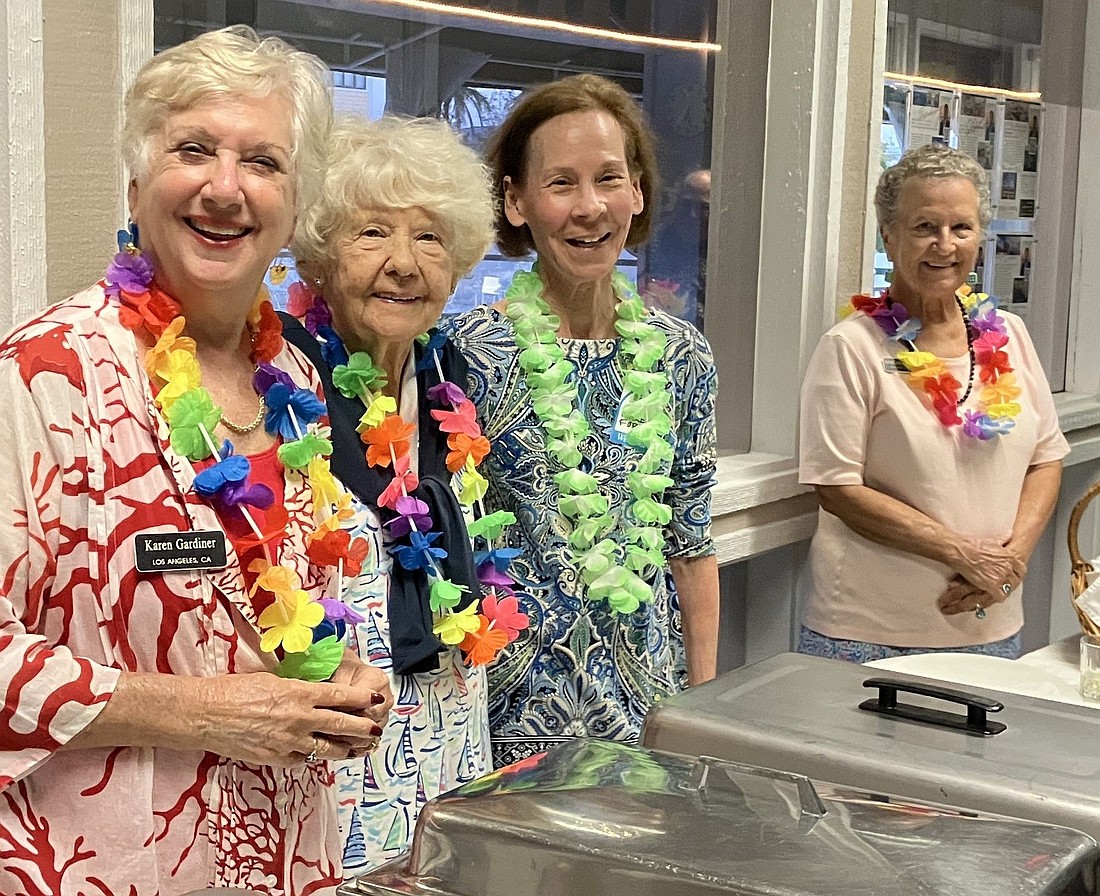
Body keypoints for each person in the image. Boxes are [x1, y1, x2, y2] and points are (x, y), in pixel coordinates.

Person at [0, 27, 394, 896]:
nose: (226, 187)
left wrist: (336, 679)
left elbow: (278, 604)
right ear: (138, 186)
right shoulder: (43, 378)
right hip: (99, 867)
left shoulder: (289, 374)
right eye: (194, 151)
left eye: (263, 161)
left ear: (296, 206)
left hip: (287, 860)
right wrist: (202, 713)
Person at [446, 74, 720, 766]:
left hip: (647, 715)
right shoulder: (467, 354)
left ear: (638, 193)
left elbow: (690, 545)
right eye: (561, 183)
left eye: (609, 178)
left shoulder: (683, 355)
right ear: (515, 200)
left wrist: (705, 713)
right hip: (504, 721)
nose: (590, 207)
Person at [283, 115, 502, 873]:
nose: (404, 264)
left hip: (447, 736)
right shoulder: (285, 382)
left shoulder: (452, 382)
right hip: (337, 753)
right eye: (372, 233)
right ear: (318, 253)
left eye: (431, 238)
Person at [797, 143, 1068, 663]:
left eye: (961, 228)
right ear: (889, 236)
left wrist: (1010, 562)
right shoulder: (851, 348)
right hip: (868, 637)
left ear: (981, 237)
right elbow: (836, 487)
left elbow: (1046, 457)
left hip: (992, 624)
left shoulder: (1008, 334)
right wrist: (962, 553)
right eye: (924, 227)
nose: (944, 245)